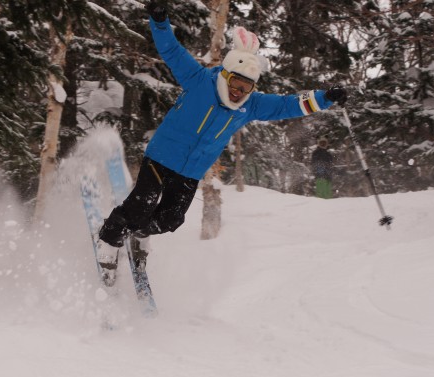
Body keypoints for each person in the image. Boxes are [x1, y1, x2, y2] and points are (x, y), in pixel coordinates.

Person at [96, 0, 347, 271]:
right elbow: (170, 50)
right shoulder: (198, 80)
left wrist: (325, 98)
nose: (239, 91)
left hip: (191, 171)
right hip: (162, 156)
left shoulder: (250, 105)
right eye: (236, 84)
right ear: (225, 75)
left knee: (170, 220)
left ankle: (139, 234)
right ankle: (109, 240)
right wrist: (159, 21)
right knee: (140, 205)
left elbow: (287, 104)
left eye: (246, 87)